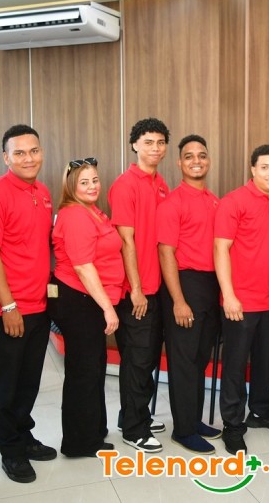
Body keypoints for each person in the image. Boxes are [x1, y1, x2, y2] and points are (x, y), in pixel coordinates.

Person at [0, 125, 56, 484]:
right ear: (6, 158)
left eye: (33, 151)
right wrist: (8, 306)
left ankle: (23, 435)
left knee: (29, 381)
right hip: (5, 309)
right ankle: (10, 450)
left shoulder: (43, 192)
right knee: (7, 385)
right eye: (19, 153)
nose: (28, 158)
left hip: (38, 305)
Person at [215, 144, 269, 454]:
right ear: (253, 169)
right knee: (235, 366)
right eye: (265, 167)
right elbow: (220, 249)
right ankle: (233, 425)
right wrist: (229, 296)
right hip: (240, 303)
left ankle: (261, 410)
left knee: (264, 360)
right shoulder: (233, 201)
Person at [48, 158, 122, 458]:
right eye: (84, 182)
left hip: (88, 300)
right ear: (71, 186)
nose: (92, 186)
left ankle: (93, 431)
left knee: (93, 368)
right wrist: (108, 308)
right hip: (79, 301)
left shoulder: (92, 211)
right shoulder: (76, 215)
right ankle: (79, 442)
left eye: (95, 180)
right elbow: (83, 267)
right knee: (84, 371)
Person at [157, 135, 223, 455]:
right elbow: (165, 253)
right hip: (185, 285)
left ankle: (194, 421)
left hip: (210, 286)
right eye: (189, 156)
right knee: (184, 361)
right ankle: (183, 430)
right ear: (179, 163)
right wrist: (179, 301)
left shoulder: (214, 200)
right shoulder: (173, 202)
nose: (196, 160)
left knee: (199, 360)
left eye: (202, 155)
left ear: (208, 161)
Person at [108, 117, 170, 453]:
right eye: (148, 142)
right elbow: (125, 240)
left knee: (146, 358)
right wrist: (136, 288)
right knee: (137, 360)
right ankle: (134, 429)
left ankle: (134, 414)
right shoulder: (125, 185)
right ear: (134, 145)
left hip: (156, 286)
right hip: (135, 290)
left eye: (160, 143)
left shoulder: (161, 184)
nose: (155, 148)